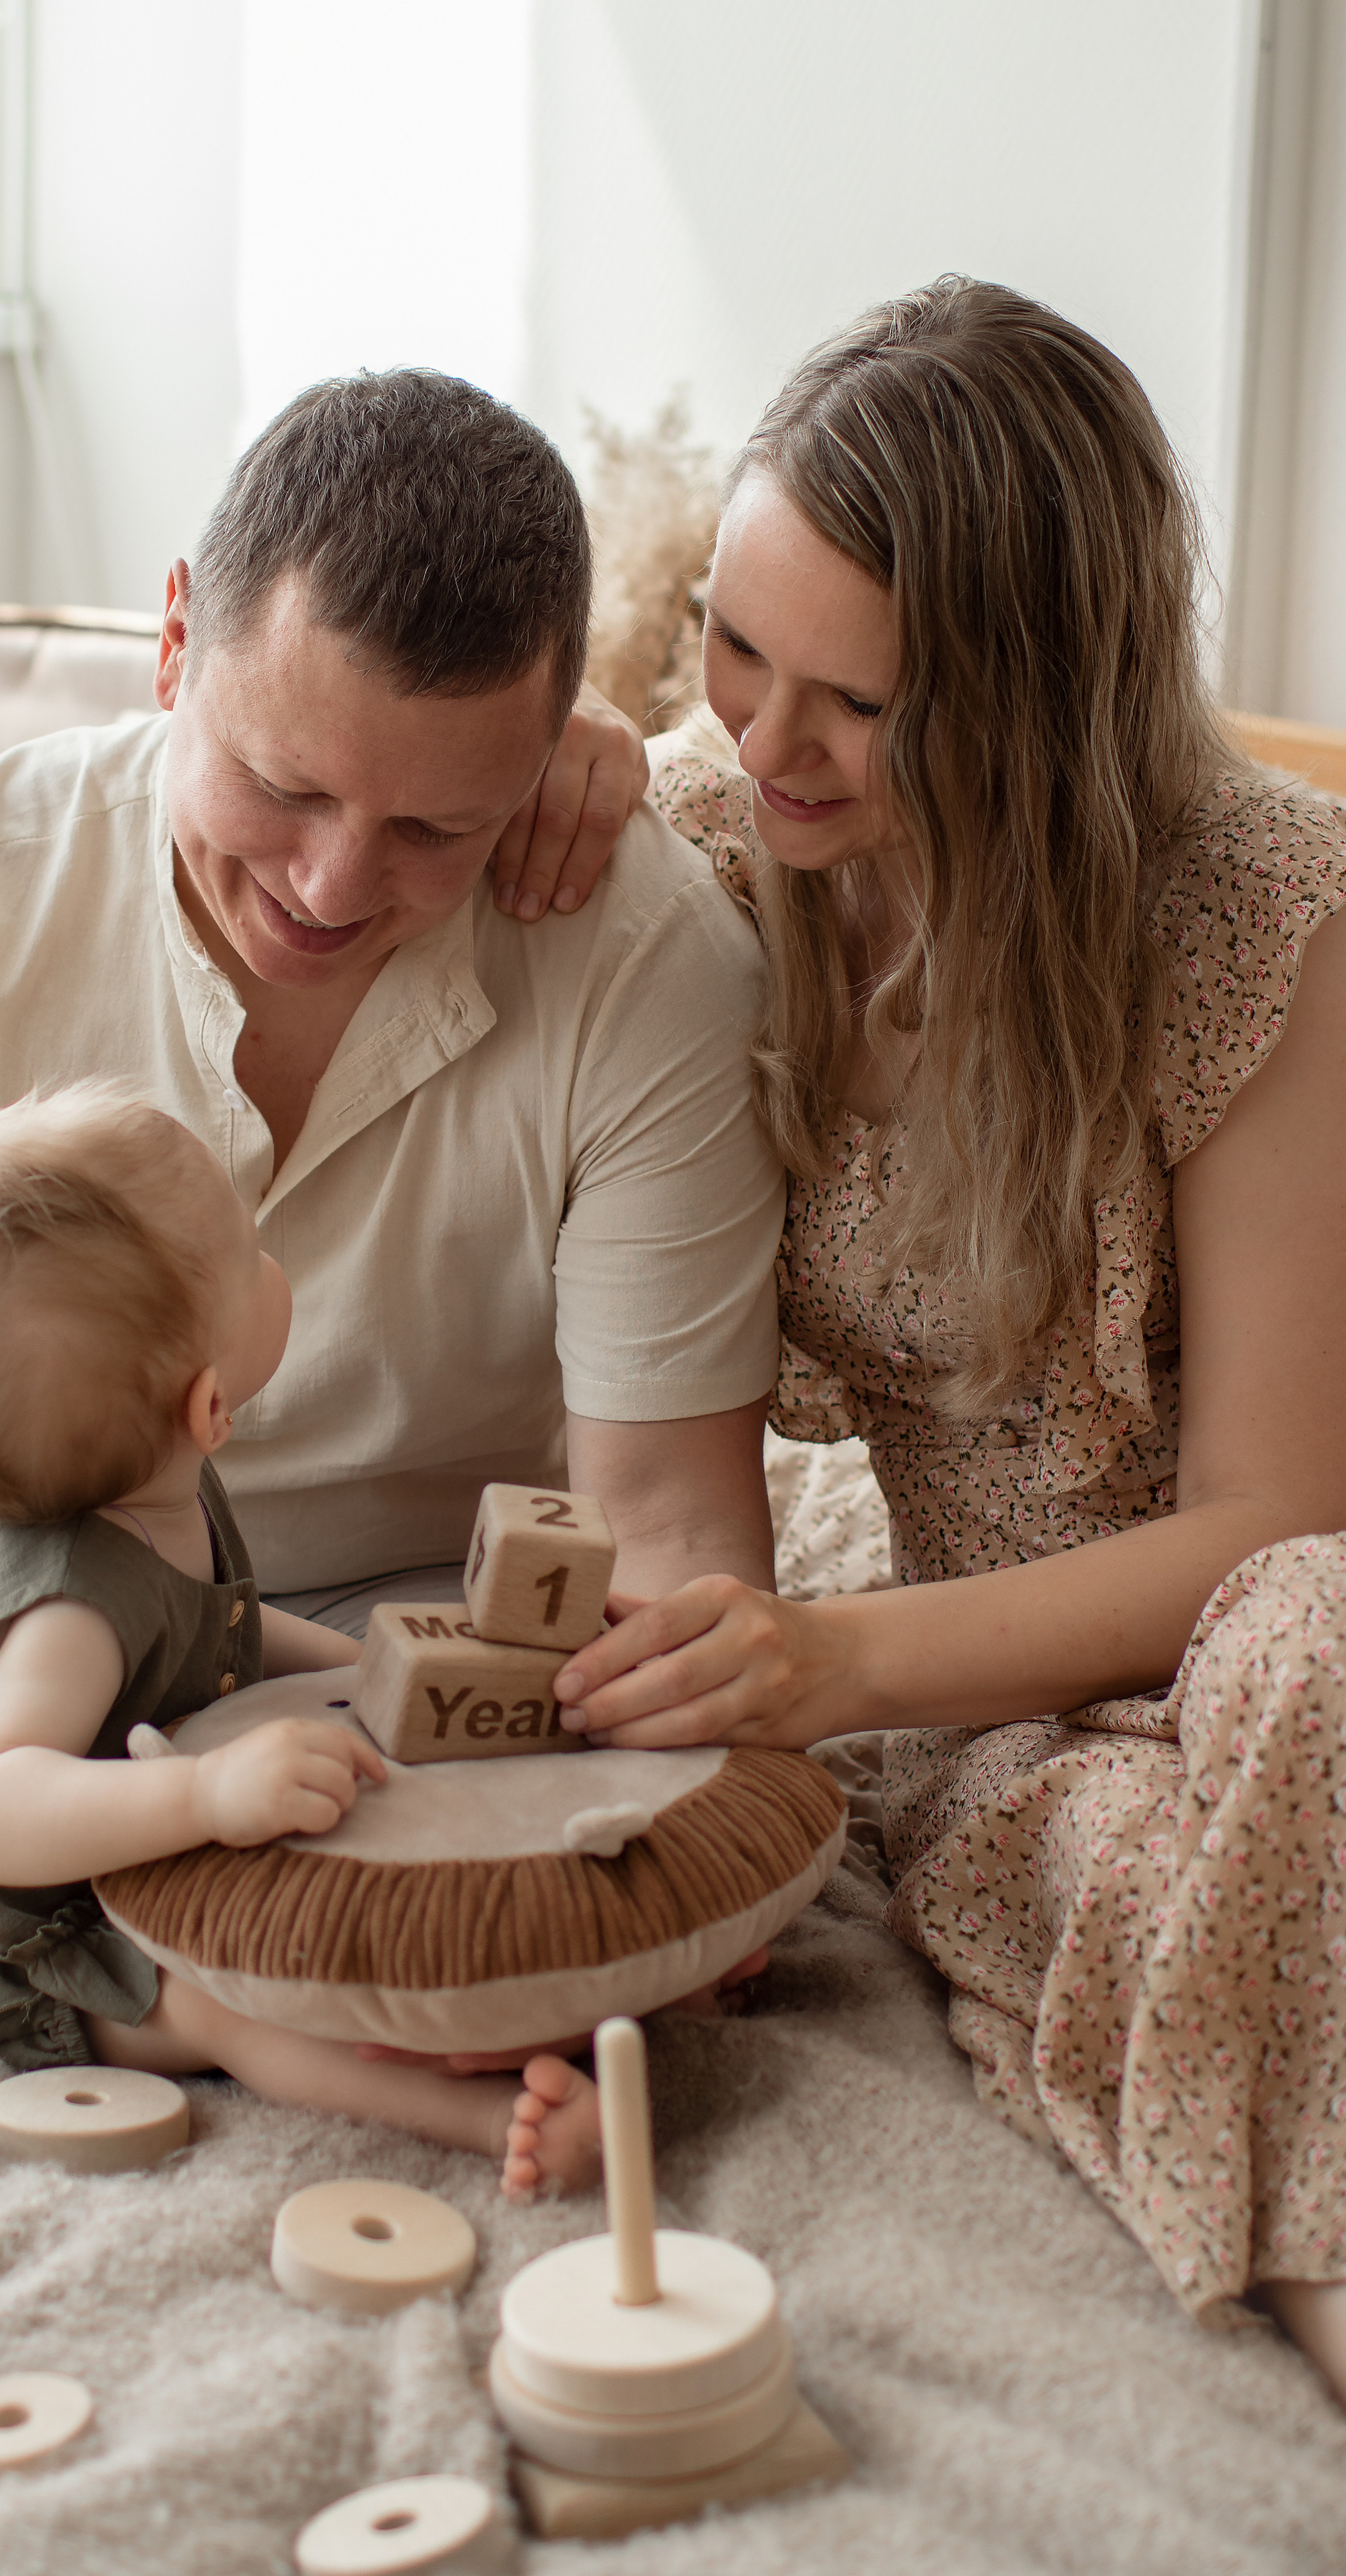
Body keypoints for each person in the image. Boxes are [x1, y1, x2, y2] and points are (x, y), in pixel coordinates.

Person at [0, 369, 784, 2040]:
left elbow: (669, 1520)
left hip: (354, 1580)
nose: (331, 888)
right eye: (283, 785)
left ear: (548, 758)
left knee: (279, 1900)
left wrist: (685, 1825)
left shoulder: (646, 957)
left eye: (430, 827)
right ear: (173, 638)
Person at [551, 279, 1346, 2398]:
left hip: (1262, 1614)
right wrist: (564, 749)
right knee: (1109, 1865)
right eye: (731, 644)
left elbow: (1275, 1514)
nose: (761, 738)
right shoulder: (710, 864)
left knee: (1325, 1647)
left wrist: (829, 1666)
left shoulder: (1256, 915)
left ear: (1029, 702)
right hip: (989, 1704)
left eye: (858, 704)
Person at [0, 1083, 602, 2192]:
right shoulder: (70, 1608)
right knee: (227, 2003)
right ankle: (491, 2122)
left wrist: (384, 1668)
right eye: (249, 1250)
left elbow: (227, 1632)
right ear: (209, 1406)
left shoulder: (158, 1483)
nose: (269, 1255)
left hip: (87, 1832)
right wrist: (206, 1799)